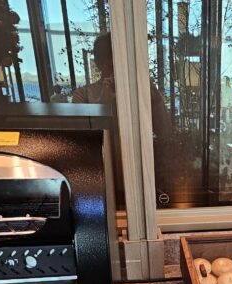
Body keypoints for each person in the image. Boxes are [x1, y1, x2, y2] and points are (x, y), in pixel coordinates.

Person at [72, 33, 174, 196]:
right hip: (102, 181)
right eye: (111, 63)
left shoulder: (140, 94)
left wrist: (152, 94)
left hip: (142, 178)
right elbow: (83, 146)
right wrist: (105, 101)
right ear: (99, 64)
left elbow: (165, 131)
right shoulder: (83, 95)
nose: (118, 69)